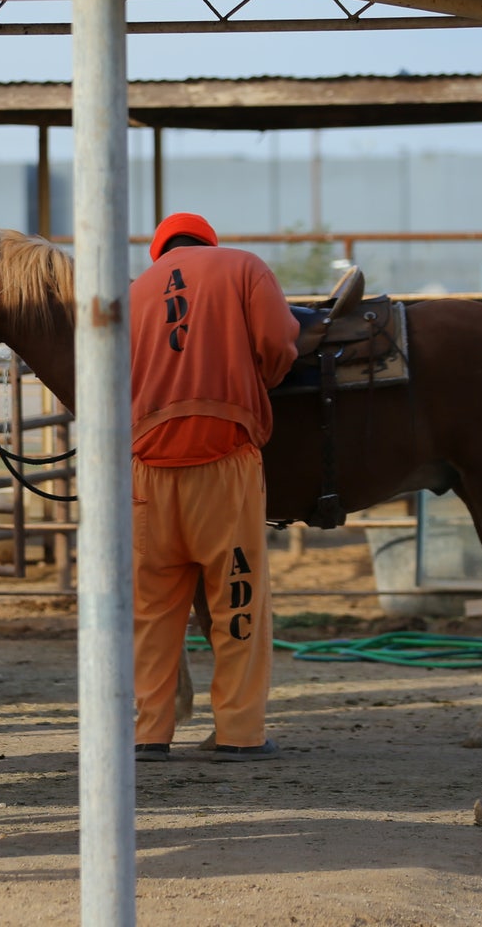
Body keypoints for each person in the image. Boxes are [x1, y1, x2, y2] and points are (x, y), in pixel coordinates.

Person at [128, 212, 300, 763]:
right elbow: (276, 344)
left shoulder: (134, 292)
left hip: (148, 469)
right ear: (208, 241)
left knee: (152, 612)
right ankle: (240, 734)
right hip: (224, 462)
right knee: (239, 602)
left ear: (161, 250)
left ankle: (149, 734)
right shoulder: (244, 268)